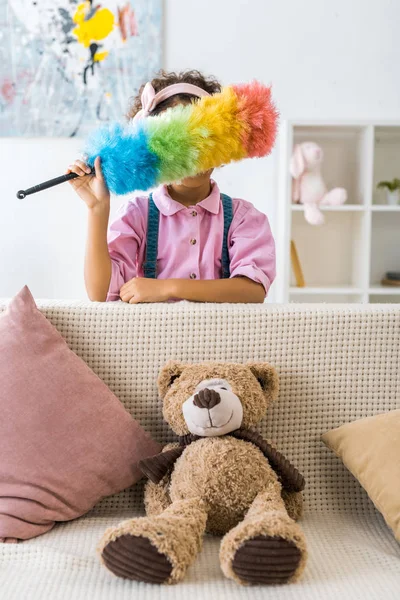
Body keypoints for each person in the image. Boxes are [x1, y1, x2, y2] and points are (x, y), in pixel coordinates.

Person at [67, 70, 276, 304]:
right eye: (174, 146)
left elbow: (252, 291)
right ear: (150, 152)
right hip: (153, 340)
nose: (191, 157)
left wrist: (168, 287)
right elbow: (101, 293)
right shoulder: (137, 216)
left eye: (201, 140)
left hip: (220, 341)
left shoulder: (243, 218)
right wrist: (97, 209)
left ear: (223, 146)